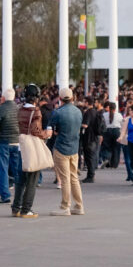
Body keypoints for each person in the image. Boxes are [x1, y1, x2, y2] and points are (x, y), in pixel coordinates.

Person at [12, 84, 49, 218]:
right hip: (32, 147)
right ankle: (26, 209)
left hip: (20, 145)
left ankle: (16, 207)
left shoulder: (19, 109)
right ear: (36, 97)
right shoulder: (36, 111)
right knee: (32, 180)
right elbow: (35, 130)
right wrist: (46, 134)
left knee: (20, 180)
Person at [49, 87, 84, 216]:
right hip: (74, 148)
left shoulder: (58, 112)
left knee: (64, 179)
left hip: (61, 147)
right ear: (72, 98)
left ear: (60, 98)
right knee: (74, 177)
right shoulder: (78, 112)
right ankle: (79, 205)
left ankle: (65, 206)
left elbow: (52, 129)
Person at [0, 88, 20, 205]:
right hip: (16, 142)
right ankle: (20, 194)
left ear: (3, 98)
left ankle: (5, 195)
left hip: (4, 142)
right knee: (17, 170)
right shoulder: (18, 109)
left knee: (3, 169)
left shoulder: (0, 109)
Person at [80, 96, 101, 183]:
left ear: (87, 103)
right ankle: (91, 175)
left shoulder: (88, 112)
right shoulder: (95, 112)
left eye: (84, 101)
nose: (83, 103)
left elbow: (85, 125)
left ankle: (90, 176)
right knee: (91, 156)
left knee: (89, 157)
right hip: (94, 137)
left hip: (88, 138)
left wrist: (79, 124)